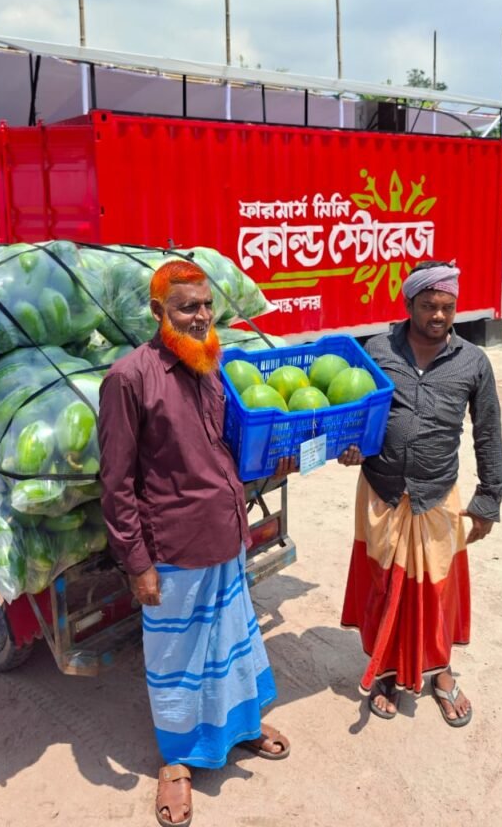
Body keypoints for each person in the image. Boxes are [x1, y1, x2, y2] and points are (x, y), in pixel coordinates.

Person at [98, 259, 290, 827]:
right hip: (174, 547)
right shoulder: (129, 378)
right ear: (158, 311)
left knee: (231, 639)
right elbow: (116, 483)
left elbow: (228, 444)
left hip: (226, 531)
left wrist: (280, 453)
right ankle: (177, 761)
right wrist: (137, 564)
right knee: (177, 659)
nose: (202, 316)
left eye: (207, 305)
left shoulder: (212, 363)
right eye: (187, 308)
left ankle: (241, 726)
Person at [339, 259, 502, 727]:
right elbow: (355, 414)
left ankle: (442, 672)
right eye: (429, 305)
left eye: (447, 307)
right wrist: (348, 447)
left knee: (437, 590)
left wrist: (488, 500)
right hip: (382, 491)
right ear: (409, 303)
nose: (439, 316)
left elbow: (488, 433)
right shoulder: (376, 350)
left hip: (437, 493)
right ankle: (388, 672)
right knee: (384, 585)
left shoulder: (473, 362)